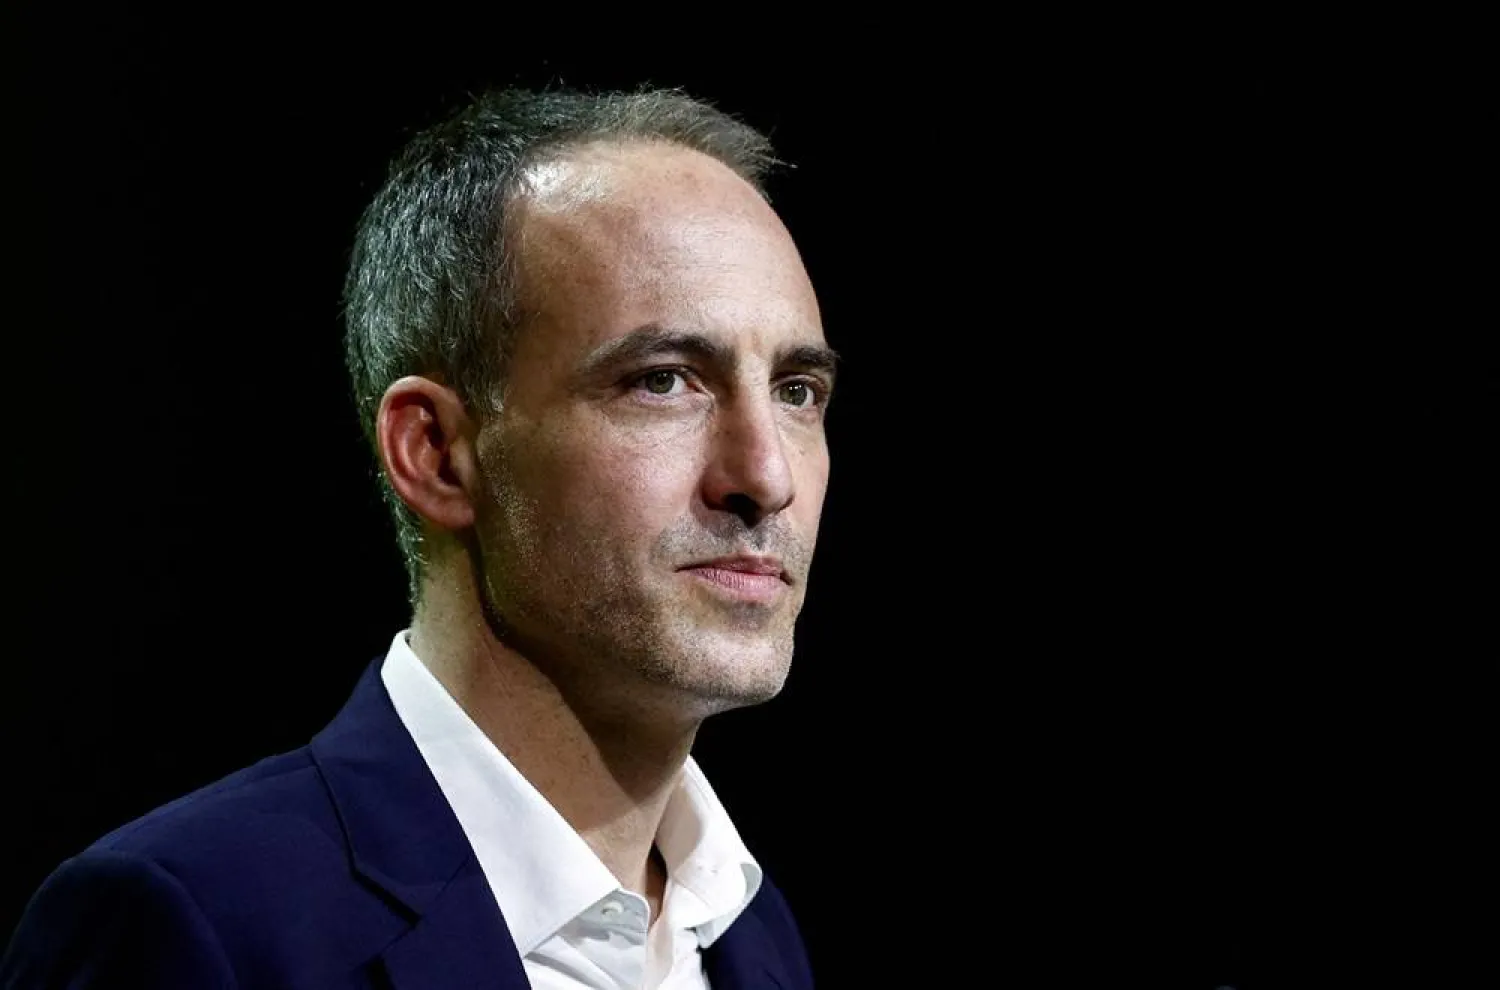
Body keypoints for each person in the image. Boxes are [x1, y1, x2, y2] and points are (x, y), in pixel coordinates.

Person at [2, 86, 833, 989]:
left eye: (796, 391)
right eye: (664, 381)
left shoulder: (749, 930)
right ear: (436, 453)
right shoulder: (197, 927)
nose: (767, 478)